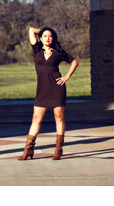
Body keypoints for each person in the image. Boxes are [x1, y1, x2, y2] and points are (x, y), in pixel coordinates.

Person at [18, 26, 79, 161]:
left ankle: (58, 150)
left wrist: (66, 77)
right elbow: (30, 30)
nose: (47, 38)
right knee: (36, 118)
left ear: (53, 39)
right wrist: (44, 30)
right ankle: (28, 149)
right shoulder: (37, 49)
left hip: (57, 87)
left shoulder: (58, 51)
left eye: (50, 36)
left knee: (59, 117)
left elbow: (74, 62)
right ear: (41, 38)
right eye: (45, 36)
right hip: (42, 89)